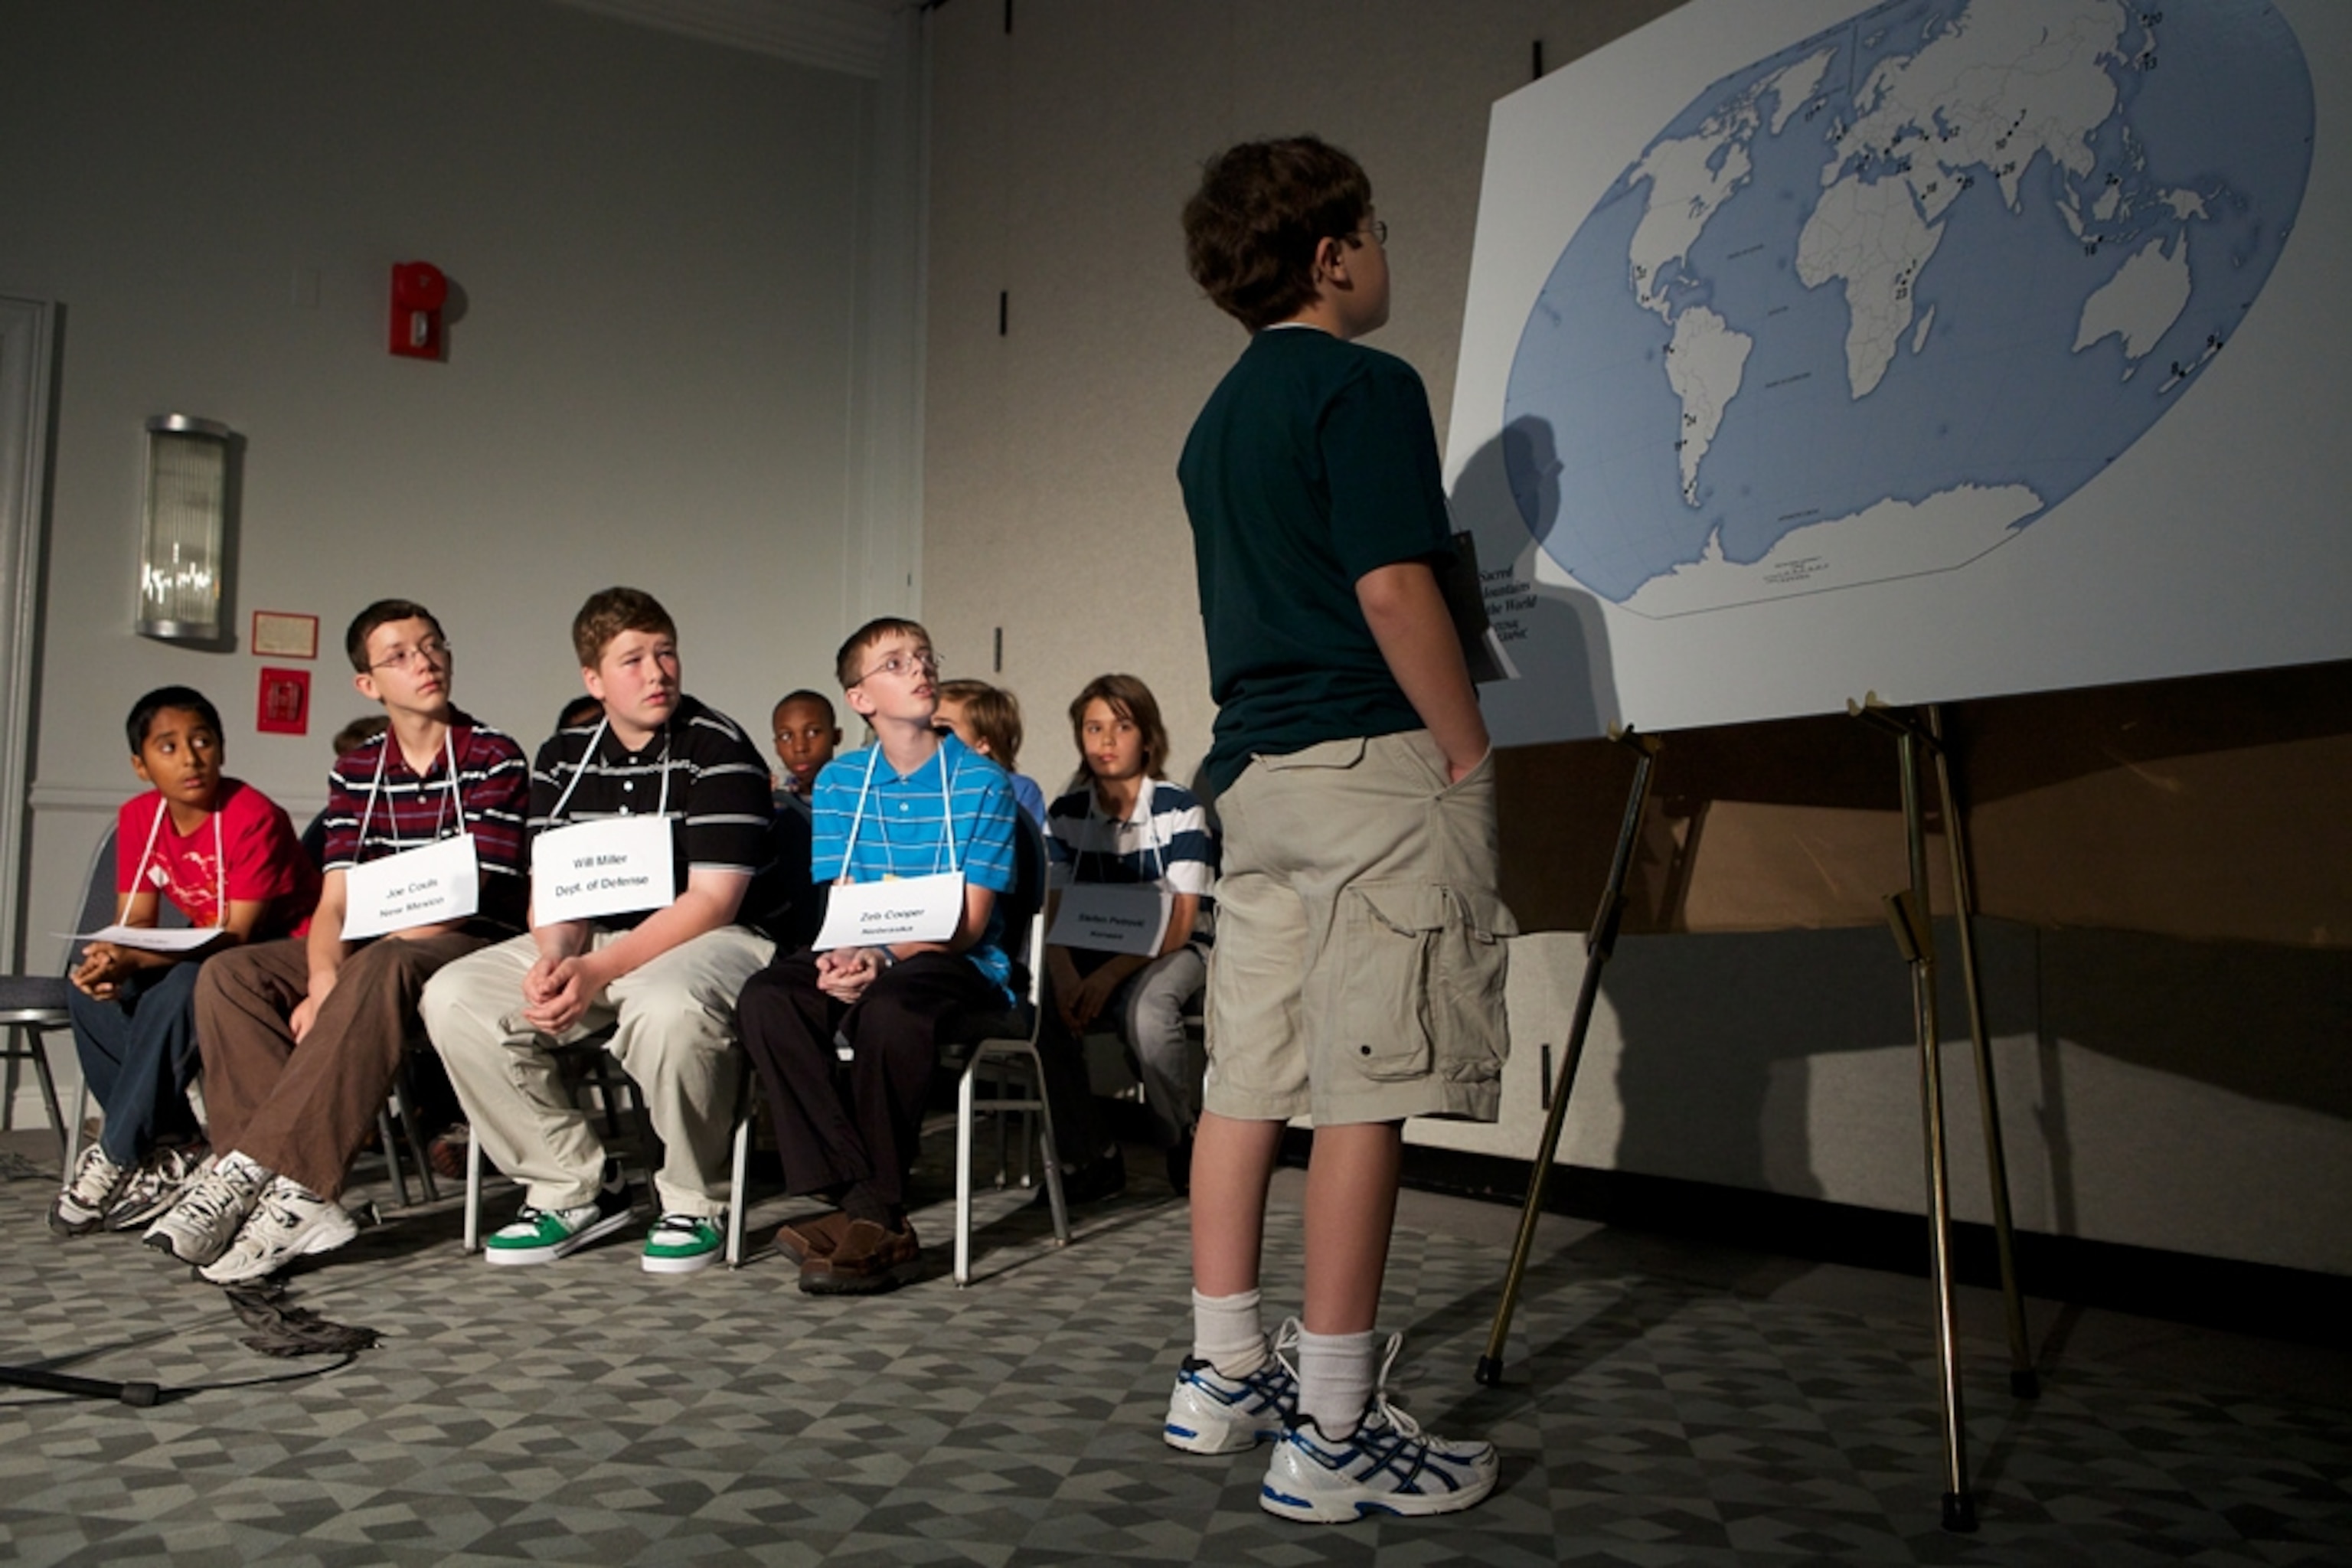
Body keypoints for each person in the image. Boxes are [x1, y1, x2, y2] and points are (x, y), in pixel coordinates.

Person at [1167, 136, 1511, 1521]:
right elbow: (1389, 584)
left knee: (1247, 1074)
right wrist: (1468, 751)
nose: (1383, 248)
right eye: (1372, 225)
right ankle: (1332, 1429)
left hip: (1252, 776)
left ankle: (1224, 1369)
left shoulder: (1212, 418)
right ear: (1328, 255)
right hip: (1369, 767)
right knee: (1365, 1085)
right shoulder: (1366, 383)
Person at [150, 600, 530, 1282]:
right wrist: (324, 982)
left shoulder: (493, 755)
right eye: (401, 655)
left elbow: (472, 895)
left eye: (433, 645)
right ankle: (270, 1189)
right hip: (374, 946)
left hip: (466, 941)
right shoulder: (356, 771)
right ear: (368, 685)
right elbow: (335, 902)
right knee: (231, 975)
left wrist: (348, 973)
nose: (425, 662)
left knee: (381, 959)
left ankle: (277, 1177)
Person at [420, 587, 790, 1275]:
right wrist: (556, 956)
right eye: (633, 660)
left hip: (710, 938)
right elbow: (556, 890)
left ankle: (692, 1197)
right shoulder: (562, 758)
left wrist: (597, 971)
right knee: (455, 993)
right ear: (593, 679)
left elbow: (713, 900)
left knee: (667, 1006)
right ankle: (572, 1186)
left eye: (666, 652)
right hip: (594, 939)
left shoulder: (719, 748)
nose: (657, 673)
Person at [735, 619, 1021, 1295]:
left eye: (923, 657)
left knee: (889, 1012)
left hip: (954, 960)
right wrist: (844, 959)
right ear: (860, 698)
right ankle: (874, 1210)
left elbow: (970, 924)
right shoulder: (840, 783)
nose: (919, 669)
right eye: (895, 663)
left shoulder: (983, 783)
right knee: (767, 997)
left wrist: (881, 962)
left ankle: (864, 1214)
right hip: (866, 942)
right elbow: (843, 902)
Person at [53, 688, 318, 1236]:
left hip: (283, 951)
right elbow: (135, 923)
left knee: (185, 986)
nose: (191, 758)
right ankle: (177, 1148)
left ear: (221, 749)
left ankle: (117, 1150)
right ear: (140, 765)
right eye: (169, 747)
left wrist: (133, 956)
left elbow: (240, 933)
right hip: (209, 948)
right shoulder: (139, 817)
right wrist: (111, 958)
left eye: (202, 742)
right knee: (87, 987)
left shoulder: (253, 815)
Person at [1041, 675, 1216, 1197]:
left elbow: (1183, 920)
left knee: (1146, 1012)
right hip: (1090, 947)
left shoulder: (1178, 807)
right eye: (1093, 728)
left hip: (1175, 947)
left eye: (1121, 726)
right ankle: (1092, 1151)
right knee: (1043, 1009)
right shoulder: (1068, 813)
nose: (1106, 741)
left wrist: (1110, 975)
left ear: (1147, 736)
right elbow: (1053, 911)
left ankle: (1180, 1135)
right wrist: (1069, 976)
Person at [934, 678, 1047, 826]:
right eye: (920, 725)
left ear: (983, 744)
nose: (926, 735)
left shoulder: (1017, 790)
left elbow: (1024, 845)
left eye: (941, 729)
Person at [769, 688, 841, 812]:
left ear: (836, 736)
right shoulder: (771, 802)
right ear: (776, 746)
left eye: (812, 733)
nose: (800, 748)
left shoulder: (856, 795)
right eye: (786, 736)